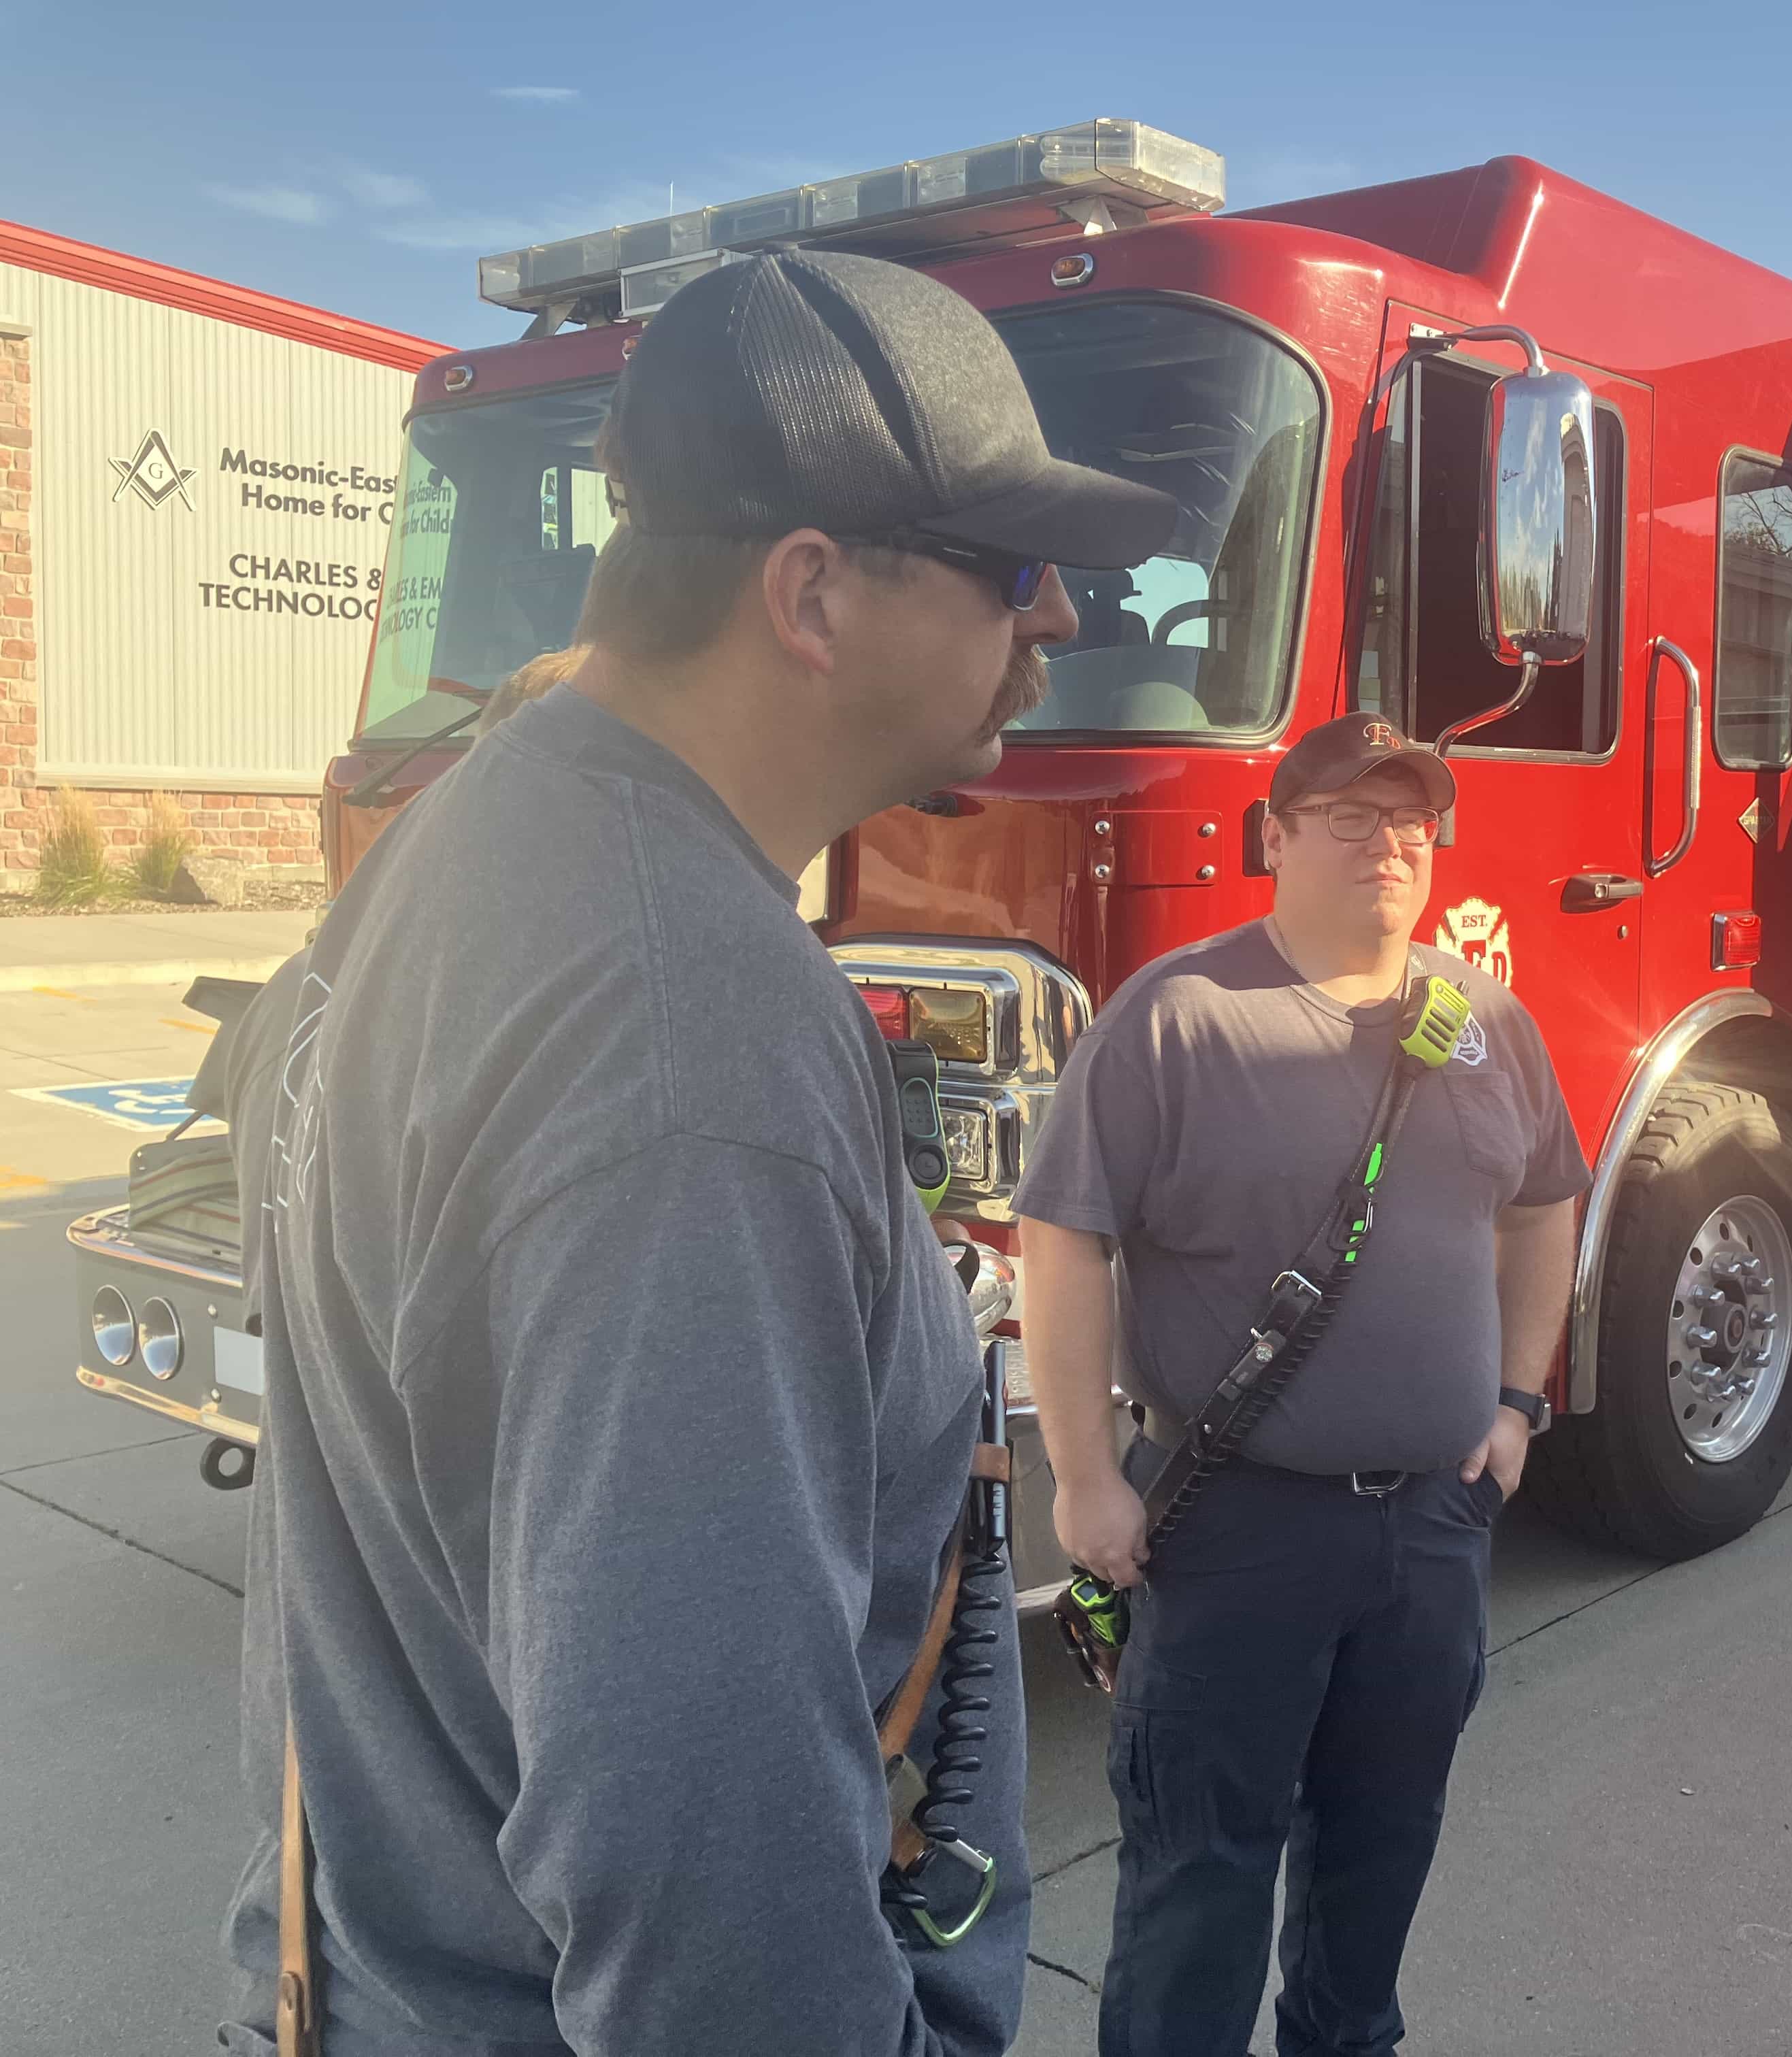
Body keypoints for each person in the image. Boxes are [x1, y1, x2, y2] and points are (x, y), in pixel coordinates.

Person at [222, 249, 1173, 2056]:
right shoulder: (691, 1026)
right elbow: (688, 1813)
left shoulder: (469, 846)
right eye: (1011, 563)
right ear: (810, 594)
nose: (1056, 621)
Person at [1015, 713, 1589, 2057]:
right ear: (1273, 837)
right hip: (1233, 1534)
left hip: (1430, 1536)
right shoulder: (1177, 1019)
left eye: (1409, 823)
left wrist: (1515, 1403)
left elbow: (1547, 1202)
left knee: (1376, 1871)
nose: (1387, 845)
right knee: (1198, 1887)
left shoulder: (1487, 1019)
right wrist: (1088, 1479)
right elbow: (1064, 1236)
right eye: (1347, 818)